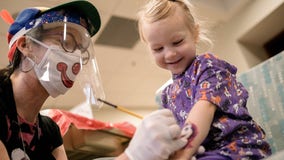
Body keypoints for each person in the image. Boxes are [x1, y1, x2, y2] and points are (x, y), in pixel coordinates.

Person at [0, 1, 189, 160]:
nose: (74, 56)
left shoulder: (49, 132)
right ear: (25, 45)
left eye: (78, 48)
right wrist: (133, 155)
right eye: (65, 43)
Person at [137, 0, 272, 159]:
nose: (170, 54)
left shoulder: (208, 67)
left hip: (238, 149)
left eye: (177, 42)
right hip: (203, 154)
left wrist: (182, 155)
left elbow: (204, 109)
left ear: (195, 33)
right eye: (158, 49)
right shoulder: (166, 95)